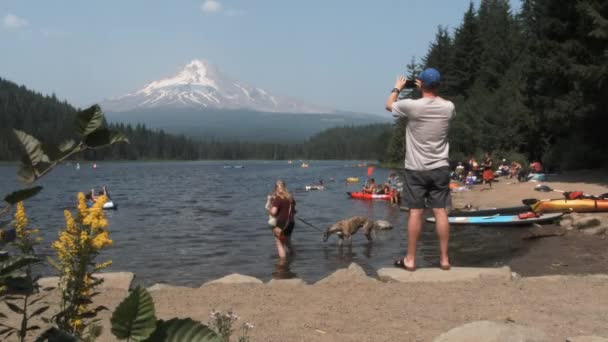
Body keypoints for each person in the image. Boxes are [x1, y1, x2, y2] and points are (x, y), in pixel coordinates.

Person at [385, 67, 455, 271]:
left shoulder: (412, 106)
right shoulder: (449, 107)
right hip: (440, 167)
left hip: (416, 168)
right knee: (440, 212)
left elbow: (389, 105)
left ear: (421, 84)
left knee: (415, 213)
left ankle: (411, 259)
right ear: (438, 85)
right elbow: (432, 102)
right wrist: (424, 89)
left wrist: (397, 88)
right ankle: (444, 259)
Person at [268, 180, 296, 259]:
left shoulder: (278, 198)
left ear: (276, 188)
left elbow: (273, 212)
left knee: (279, 243)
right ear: (284, 187)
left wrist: (269, 209)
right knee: (287, 242)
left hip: (281, 223)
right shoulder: (291, 198)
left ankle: (283, 264)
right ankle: (294, 255)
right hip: (291, 223)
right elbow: (294, 212)